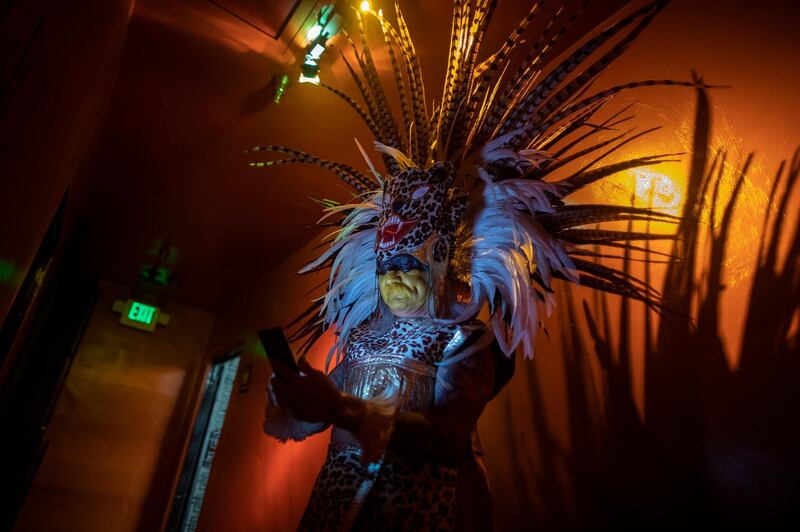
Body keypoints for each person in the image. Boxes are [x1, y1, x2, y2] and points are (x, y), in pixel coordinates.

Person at [254, 1, 686, 529]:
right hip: (334, 507)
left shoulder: (463, 340)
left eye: (408, 263)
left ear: (441, 261)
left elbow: (448, 438)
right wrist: (300, 397)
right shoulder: (364, 335)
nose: (394, 277)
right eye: (386, 264)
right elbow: (325, 416)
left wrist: (341, 409)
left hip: (421, 512)